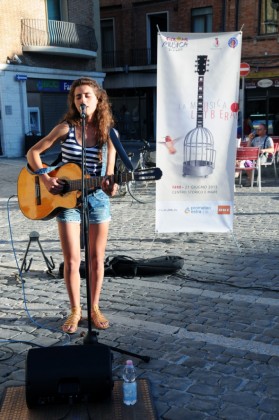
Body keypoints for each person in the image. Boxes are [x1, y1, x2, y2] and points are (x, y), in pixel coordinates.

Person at [27, 77, 118, 333]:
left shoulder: (107, 133)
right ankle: (75, 310)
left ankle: (94, 308)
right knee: (71, 259)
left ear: (98, 99)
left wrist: (111, 185)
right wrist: (45, 178)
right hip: (67, 200)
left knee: (97, 259)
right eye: (78, 96)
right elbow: (33, 153)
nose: (82, 100)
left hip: (96, 199)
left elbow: (109, 173)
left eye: (87, 95)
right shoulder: (65, 128)